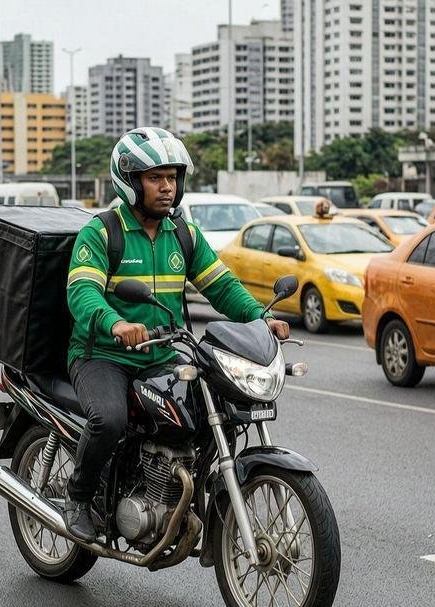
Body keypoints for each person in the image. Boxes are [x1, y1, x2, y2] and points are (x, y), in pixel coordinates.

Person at [63, 127, 290, 542]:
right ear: (130, 181)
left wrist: (260, 317)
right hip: (104, 355)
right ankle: (78, 499)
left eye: (172, 177)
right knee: (109, 419)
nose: (167, 187)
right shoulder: (101, 232)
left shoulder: (182, 233)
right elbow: (81, 291)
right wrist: (115, 323)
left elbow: (221, 285)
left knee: (209, 409)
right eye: (155, 178)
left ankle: (173, 490)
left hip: (164, 353)